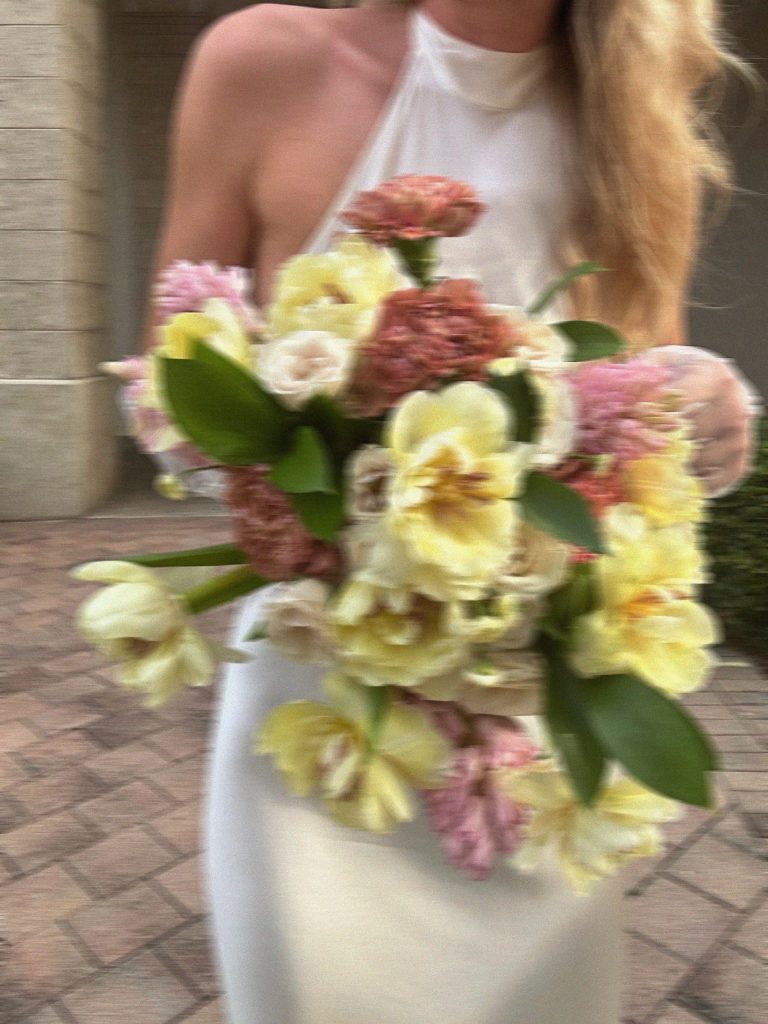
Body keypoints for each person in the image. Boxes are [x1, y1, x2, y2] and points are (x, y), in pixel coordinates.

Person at [141, 2, 756, 1021]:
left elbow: (637, 410)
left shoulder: (639, 122)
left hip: (531, 728)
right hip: (325, 727)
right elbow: (165, 386)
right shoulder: (261, 63)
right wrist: (294, 456)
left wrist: (700, 407)